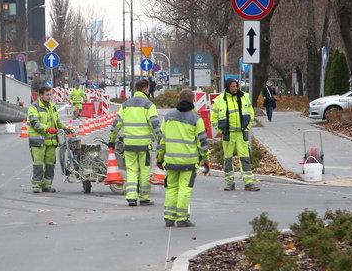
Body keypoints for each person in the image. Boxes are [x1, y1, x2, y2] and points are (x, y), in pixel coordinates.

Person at [157, 89, 209, 227]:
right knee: (184, 189)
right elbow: (202, 142)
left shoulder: (168, 117)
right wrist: (206, 159)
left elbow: (161, 140)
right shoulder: (196, 119)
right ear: (193, 101)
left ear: (179, 99)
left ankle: (169, 217)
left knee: (171, 188)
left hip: (171, 161)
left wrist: (160, 158)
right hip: (189, 161)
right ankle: (182, 218)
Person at [109, 78, 162, 206]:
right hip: (144, 145)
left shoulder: (126, 105)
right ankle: (144, 198)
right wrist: (161, 142)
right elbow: (155, 126)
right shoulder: (149, 105)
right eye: (148, 89)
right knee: (144, 171)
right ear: (144, 89)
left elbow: (116, 125)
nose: (149, 91)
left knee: (131, 170)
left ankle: (131, 197)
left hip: (129, 145)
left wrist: (111, 140)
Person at [211, 78, 260, 191]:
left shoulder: (244, 97)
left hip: (241, 133)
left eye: (236, 86)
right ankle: (230, 183)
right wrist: (221, 130)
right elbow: (214, 118)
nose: (235, 88)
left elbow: (251, 113)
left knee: (245, 158)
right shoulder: (219, 100)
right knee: (228, 159)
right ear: (227, 87)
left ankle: (249, 183)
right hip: (228, 134)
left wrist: (247, 127)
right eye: (233, 86)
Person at [27, 85, 67, 193]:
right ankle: (36, 185)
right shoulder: (34, 107)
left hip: (51, 141)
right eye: (47, 95)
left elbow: (57, 121)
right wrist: (48, 129)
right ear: (41, 95)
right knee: (38, 164)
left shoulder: (52, 106)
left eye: (51, 94)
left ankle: (46, 185)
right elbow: (34, 123)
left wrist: (65, 127)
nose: (50, 97)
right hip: (38, 141)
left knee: (50, 164)